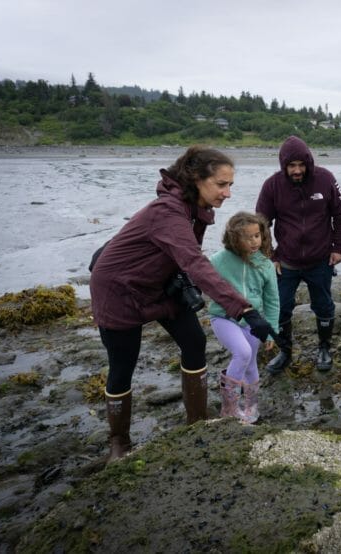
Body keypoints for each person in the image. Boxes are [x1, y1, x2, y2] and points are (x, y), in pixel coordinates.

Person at [90, 146, 273, 462]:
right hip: (119, 291)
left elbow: (184, 258)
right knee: (123, 365)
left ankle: (197, 424)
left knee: (194, 341)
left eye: (231, 185)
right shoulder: (168, 212)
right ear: (196, 179)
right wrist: (243, 308)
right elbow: (195, 263)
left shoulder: (195, 210)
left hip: (160, 284)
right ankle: (118, 442)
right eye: (221, 184)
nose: (228, 193)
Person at [255, 136, 341, 373]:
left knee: (324, 305)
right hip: (286, 261)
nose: (297, 171)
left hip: (320, 259)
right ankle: (285, 352)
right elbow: (260, 225)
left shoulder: (325, 179)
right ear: (283, 166)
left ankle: (324, 348)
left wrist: (339, 247)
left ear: (308, 162)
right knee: (281, 307)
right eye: (291, 166)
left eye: (301, 165)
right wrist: (270, 257)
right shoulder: (272, 186)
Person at [208, 211, 279, 424]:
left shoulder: (265, 265)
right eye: (247, 237)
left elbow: (272, 301)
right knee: (243, 352)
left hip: (253, 321)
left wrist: (271, 331)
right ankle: (229, 408)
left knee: (250, 364)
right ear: (234, 238)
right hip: (223, 318)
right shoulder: (218, 260)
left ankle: (251, 408)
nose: (254, 241)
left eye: (257, 235)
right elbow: (201, 280)